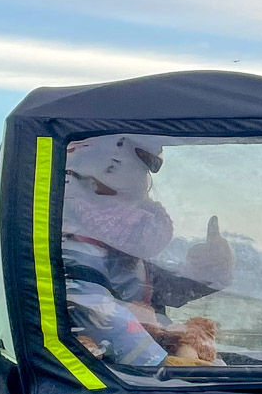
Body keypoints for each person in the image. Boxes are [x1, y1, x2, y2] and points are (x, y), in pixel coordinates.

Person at [59, 134, 235, 367]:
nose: (143, 198)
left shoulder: (112, 243)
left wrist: (208, 271)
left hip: (130, 370)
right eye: (130, 190)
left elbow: (152, 288)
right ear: (93, 182)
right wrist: (164, 365)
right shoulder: (75, 245)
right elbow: (98, 312)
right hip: (115, 378)